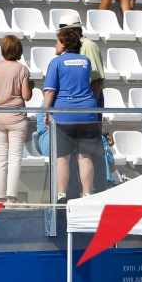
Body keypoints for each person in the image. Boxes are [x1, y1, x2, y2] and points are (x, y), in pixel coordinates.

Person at [43, 24, 104, 200]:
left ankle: (61, 194)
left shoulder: (56, 62)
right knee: (85, 157)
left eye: (57, 41)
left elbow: (50, 91)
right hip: (87, 113)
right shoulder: (86, 61)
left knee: (62, 157)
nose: (56, 45)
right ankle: (87, 193)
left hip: (64, 115)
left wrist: (46, 113)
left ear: (63, 43)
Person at [0, 34, 33, 203]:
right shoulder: (21, 69)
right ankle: (11, 196)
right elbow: (26, 96)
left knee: (0, 157)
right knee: (14, 157)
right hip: (16, 118)